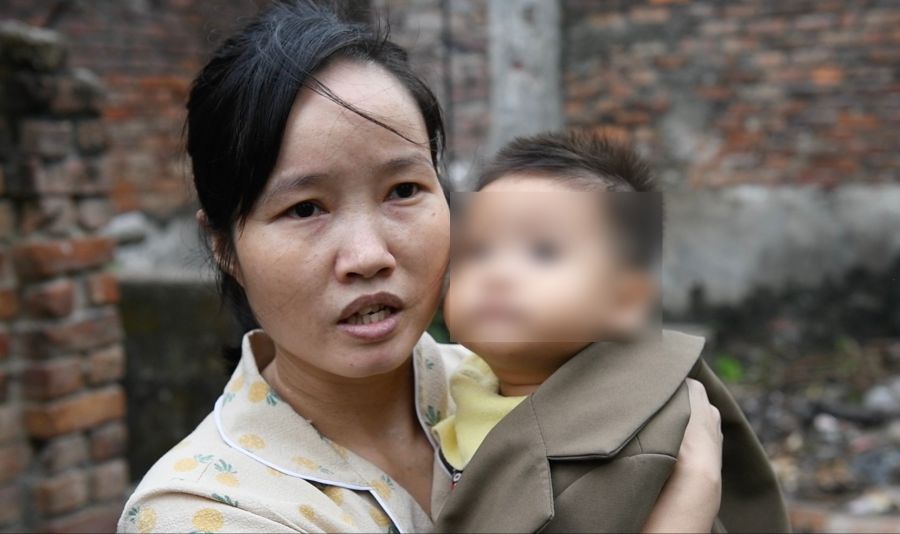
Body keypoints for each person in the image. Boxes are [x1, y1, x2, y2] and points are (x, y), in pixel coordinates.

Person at [117, 2, 725, 533]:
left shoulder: (515, 378)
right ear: (224, 245)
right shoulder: (205, 509)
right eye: (305, 209)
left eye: (404, 190)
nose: (368, 256)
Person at [432, 131, 791, 533]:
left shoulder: (642, 444)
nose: (497, 274)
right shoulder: (453, 388)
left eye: (543, 251)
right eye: (477, 251)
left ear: (625, 299)